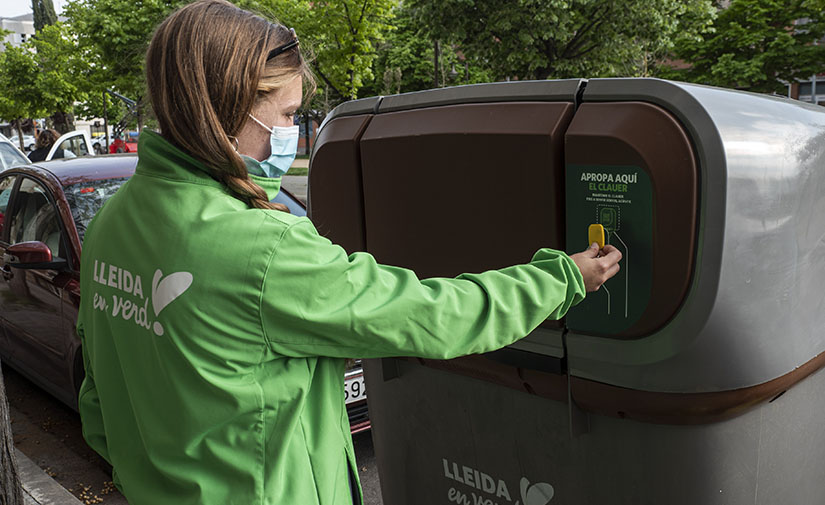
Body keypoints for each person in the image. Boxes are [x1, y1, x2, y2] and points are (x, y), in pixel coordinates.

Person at [76, 1, 622, 504]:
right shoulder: (259, 247)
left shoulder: (111, 224)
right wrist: (563, 278)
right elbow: (433, 317)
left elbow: (99, 403)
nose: (293, 131)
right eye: (288, 114)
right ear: (227, 107)